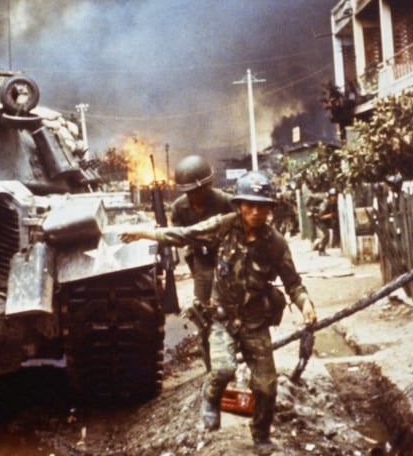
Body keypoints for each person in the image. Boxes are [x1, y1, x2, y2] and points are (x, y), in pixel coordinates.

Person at [120, 171, 317, 453]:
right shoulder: (224, 226)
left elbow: (293, 283)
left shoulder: (275, 243)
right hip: (222, 319)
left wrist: (305, 303)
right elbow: (185, 234)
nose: (256, 211)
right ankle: (210, 397)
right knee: (223, 369)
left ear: (271, 208)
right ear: (239, 205)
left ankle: (260, 434)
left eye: (263, 205)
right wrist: (144, 233)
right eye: (250, 204)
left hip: (254, 322)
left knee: (266, 386)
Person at [169, 155, 234, 371]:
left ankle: (236, 361)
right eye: (188, 192)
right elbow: (179, 236)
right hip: (202, 264)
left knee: (233, 313)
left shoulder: (224, 201)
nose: (193, 196)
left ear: (208, 185)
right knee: (203, 315)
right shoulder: (179, 208)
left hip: (226, 263)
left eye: (197, 190)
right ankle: (211, 369)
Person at [315, 189, 339, 255]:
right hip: (320, 222)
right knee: (326, 234)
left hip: (325, 222)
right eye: (332, 196)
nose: (333, 197)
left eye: (335, 196)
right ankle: (321, 250)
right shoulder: (326, 204)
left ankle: (323, 249)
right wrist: (330, 215)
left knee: (330, 233)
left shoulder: (333, 203)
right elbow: (320, 216)